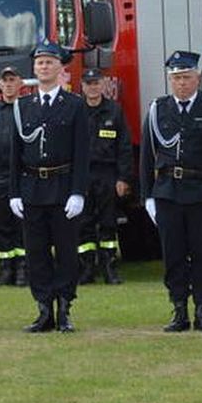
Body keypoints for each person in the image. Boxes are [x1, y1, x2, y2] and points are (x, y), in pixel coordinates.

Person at [140, 50, 202, 333]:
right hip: (167, 192)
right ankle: (179, 308)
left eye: (186, 77)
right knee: (173, 254)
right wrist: (148, 196)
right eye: (176, 78)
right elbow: (147, 155)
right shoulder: (158, 109)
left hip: (201, 191)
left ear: (197, 77)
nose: (181, 83)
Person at [9, 39, 90, 332]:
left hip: (63, 187)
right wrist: (14, 192)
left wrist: (78, 192)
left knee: (67, 252)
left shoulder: (75, 105)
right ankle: (44, 309)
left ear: (60, 68)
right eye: (40, 63)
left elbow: (83, 153)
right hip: (32, 189)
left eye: (49, 62)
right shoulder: (22, 106)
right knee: (36, 253)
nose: (44, 67)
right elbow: (15, 154)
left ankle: (65, 307)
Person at [77, 67, 133, 285]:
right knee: (83, 223)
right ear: (82, 86)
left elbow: (124, 147)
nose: (92, 87)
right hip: (82, 175)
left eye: (96, 83)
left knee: (108, 221)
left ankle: (109, 268)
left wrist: (124, 178)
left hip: (107, 174)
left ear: (103, 85)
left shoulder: (114, 111)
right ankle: (86, 269)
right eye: (88, 84)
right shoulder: (76, 111)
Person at [0, 65, 28, 286]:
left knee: (22, 224)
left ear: (20, 83)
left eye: (13, 80)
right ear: (0, 84)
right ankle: (6, 269)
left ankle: (23, 269)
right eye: (5, 80)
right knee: (1, 225)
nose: (9, 84)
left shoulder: (28, 109)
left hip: (22, 175)